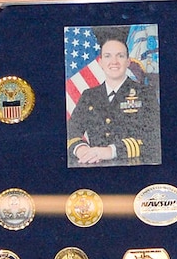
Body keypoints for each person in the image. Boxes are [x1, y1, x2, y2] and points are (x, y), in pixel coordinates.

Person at [68, 31, 161, 165]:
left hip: (133, 166)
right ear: (100, 62)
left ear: (128, 61)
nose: (114, 62)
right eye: (108, 56)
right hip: (94, 166)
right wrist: (81, 149)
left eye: (120, 56)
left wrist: (110, 151)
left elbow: (154, 137)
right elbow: (71, 130)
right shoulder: (89, 95)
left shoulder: (145, 93)